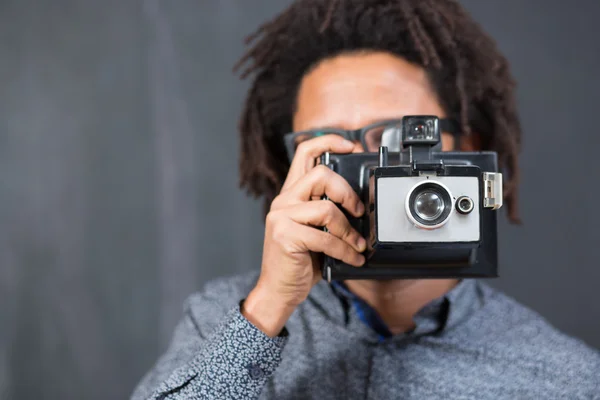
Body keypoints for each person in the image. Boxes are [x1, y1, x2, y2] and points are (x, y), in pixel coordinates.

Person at [132, 1, 600, 399]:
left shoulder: (563, 378)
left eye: (394, 139)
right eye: (327, 145)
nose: (363, 170)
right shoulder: (225, 317)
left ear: (469, 152)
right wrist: (268, 309)